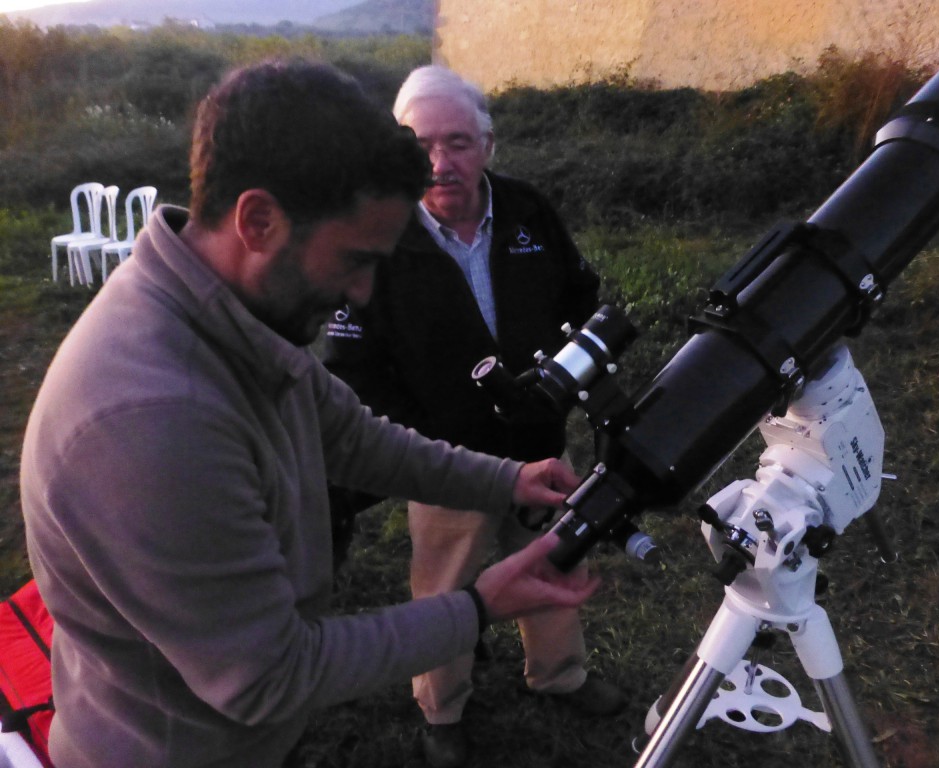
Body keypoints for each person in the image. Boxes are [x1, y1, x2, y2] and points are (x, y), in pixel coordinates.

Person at [19, 60, 602, 768]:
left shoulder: (236, 311)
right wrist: (477, 608)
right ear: (258, 220)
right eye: (355, 260)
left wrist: (508, 480)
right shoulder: (150, 422)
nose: (362, 294)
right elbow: (269, 676)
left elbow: (356, 438)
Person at [322, 65, 624, 768]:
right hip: (442, 460)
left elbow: (581, 295)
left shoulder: (526, 210)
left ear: (487, 144)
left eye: (457, 141)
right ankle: (442, 705)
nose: (440, 161)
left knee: (555, 557)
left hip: (539, 444)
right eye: (422, 143)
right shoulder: (381, 230)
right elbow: (354, 366)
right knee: (445, 584)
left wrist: (568, 374)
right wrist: (420, 439)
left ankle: (559, 674)